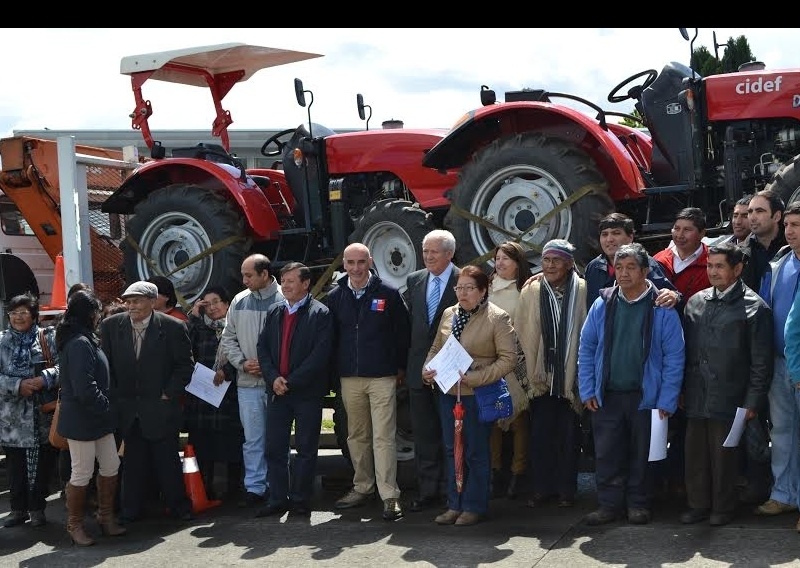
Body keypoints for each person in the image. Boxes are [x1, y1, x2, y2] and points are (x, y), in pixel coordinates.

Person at [578, 243, 685, 526]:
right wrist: (588, 388)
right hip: (608, 394)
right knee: (608, 453)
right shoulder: (604, 302)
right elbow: (587, 347)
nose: (623, 274)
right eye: (619, 267)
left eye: (631, 268)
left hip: (645, 396)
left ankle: (638, 503)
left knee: (642, 455)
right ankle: (608, 504)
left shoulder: (662, 307)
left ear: (645, 271)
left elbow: (675, 357)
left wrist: (667, 399)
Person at [679, 242, 773, 527]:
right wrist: (680, 389)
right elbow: (683, 352)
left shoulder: (755, 308)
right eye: (710, 265)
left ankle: (722, 507)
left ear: (738, 268)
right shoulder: (695, 302)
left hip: (731, 394)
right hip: (696, 391)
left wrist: (752, 402)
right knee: (695, 454)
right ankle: (698, 506)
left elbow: (761, 362)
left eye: (720, 266)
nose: (713, 272)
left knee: (724, 456)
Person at [422, 265, 516, 526]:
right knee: (453, 450)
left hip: (477, 394)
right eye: (459, 288)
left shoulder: (497, 317)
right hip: (449, 392)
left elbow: (508, 360)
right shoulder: (449, 314)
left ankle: (474, 505)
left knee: (475, 451)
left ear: (483, 291)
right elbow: (435, 348)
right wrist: (427, 369)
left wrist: (475, 378)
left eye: (469, 288)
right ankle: (455, 503)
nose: (462, 293)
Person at [327, 243, 410, 521]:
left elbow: (403, 333)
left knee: (383, 437)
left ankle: (390, 495)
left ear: (370, 262)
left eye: (361, 262)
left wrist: (399, 367)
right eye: (350, 262)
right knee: (356, 436)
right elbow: (331, 340)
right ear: (343, 264)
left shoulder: (388, 293)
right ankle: (362, 487)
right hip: (349, 377)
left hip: (382, 376)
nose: (356, 268)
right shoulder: (335, 295)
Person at [100, 281, 194, 523]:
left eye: (137, 301)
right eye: (128, 301)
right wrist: (116, 397)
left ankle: (179, 508)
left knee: (168, 462)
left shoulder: (173, 327)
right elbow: (105, 367)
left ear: (153, 302)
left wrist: (168, 393)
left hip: (161, 408)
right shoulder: (111, 326)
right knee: (132, 464)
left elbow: (185, 366)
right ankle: (130, 510)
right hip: (128, 409)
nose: (131, 306)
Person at [254, 262, 333, 517]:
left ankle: (300, 499)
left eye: (290, 281)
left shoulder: (320, 313)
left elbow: (320, 355)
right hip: (277, 392)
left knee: (306, 449)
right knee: (274, 448)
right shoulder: (275, 310)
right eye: (283, 280)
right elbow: (263, 348)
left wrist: (291, 381)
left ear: (305, 283)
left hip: (305, 393)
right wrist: (273, 378)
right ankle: (278, 498)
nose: (285, 285)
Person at [515, 239, 587, 509]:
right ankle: (542, 489)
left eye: (557, 260)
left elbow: (584, 329)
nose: (550, 265)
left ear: (569, 264)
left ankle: (567, 490)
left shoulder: (582, 289)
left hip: (570, 378)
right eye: (546, 260)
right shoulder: (531, 290)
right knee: (541, 435)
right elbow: (521, 332)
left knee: (569, 437)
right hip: (540, 376)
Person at [56, 289, 127, 545]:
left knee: (111, 466)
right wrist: (106, 407)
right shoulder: (79, 343)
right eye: (96, 311)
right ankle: (74, 525)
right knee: (82, 472)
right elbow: (84, 388)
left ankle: (105, 517)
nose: (99, 316)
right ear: (89, 313)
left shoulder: (84, 339)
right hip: (83, 419)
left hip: (97, 418)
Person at [219, 254, 284, 507]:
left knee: (277, 439)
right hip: (248, 383)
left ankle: (278, 486)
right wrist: (242, 363)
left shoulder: (283, 299)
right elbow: (228, 338)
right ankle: (255, 488)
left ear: (264, 275)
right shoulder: (238, 301)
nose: (243, 280)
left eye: (248, 275)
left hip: (276, 383)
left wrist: (271, 369)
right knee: (253, 439)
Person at [403, 229, 461, 513]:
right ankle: (428, 492)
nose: (427, 256)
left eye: (433, 252)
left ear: (449, 254)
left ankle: (454, 492)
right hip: (418, 373)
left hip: (451, 374)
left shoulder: (465, 280)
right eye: (425, 251)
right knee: (424, 437)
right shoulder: (414, 280)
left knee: (451, 438)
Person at [755, 200, 800, 524]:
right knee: (782, 431)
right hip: (780, 363)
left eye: (797, 226)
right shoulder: (779, 265)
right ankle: (783, 494)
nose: (790, 232)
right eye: (789, 226)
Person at [0, 292, 60, 528]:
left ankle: (37, 509)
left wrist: (44, 378)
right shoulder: (1, 341)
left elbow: (63, 366)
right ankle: (17, 510)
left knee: (42, 466)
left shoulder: (47, 337)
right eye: (14, 313)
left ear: (34, 316)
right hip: (11, 419)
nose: (18, 317)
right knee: (15, 467)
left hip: (42, 415)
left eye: (23, 312)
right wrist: (17, 385)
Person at [185, 285, 244, 502]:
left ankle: (234, 489)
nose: (212, 307)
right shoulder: (199, 329)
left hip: (230, 395)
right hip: (203, 396)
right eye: (206, 303)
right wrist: (193, 317)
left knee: (233, 442)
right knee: (204, 444)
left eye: (217, 301)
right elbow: (184, 349)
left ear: (227, 303)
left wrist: (227, 371)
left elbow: (246, 352)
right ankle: (204, 489)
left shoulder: (236, 326)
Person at [487, 241, 530, 500]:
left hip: (518, 363)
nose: (500, 263)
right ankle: (495, 473)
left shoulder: (525, 289)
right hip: (490, 362)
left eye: (506, 258)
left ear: (518, 263)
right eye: (498, 258)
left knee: (519, 421)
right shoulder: (487, 288)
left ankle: (519, 473)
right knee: (492, 420)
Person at [584, 212, 679, 309]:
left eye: (616, 233)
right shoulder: (593, 267)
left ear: (630, 237)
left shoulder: (646, 264)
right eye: (604, 234)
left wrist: (673, 296)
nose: (609, 239)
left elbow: (670, 296)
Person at [653, 207, 711, 304]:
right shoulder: (658, 260)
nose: (680, 235)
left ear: (702, 233)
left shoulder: (712, 262)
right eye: (676, 228)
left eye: (687, 230)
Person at [741, 189, 786, 292]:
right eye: (750, 212)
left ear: (776, 216)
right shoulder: (739, 254)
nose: (752, 218)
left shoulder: (793, 249)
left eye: (759, 211)